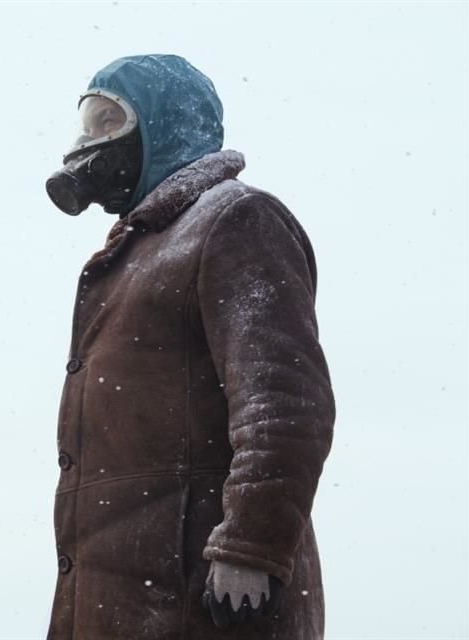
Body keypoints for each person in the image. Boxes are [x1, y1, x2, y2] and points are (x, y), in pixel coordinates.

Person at [44, 55, 335, 639]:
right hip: (122, 598)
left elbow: (284, 402)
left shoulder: (235, 219)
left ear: (164, 122)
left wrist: (251, 545)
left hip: (199, 601)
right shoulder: (135, 253)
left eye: (110, 122)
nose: (89, 141)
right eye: (88, 122)